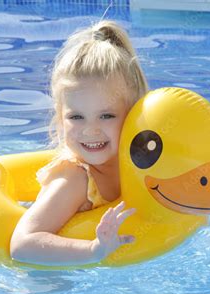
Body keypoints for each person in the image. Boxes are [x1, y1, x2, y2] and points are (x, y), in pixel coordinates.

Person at [10, 20, 149, 266]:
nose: (90, 130)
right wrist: (94, 250)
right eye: (76, 117)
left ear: (132, 114)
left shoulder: (137, 163)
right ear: (60, 118)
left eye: (106, 115)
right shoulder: (75, 180)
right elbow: (22, 244)